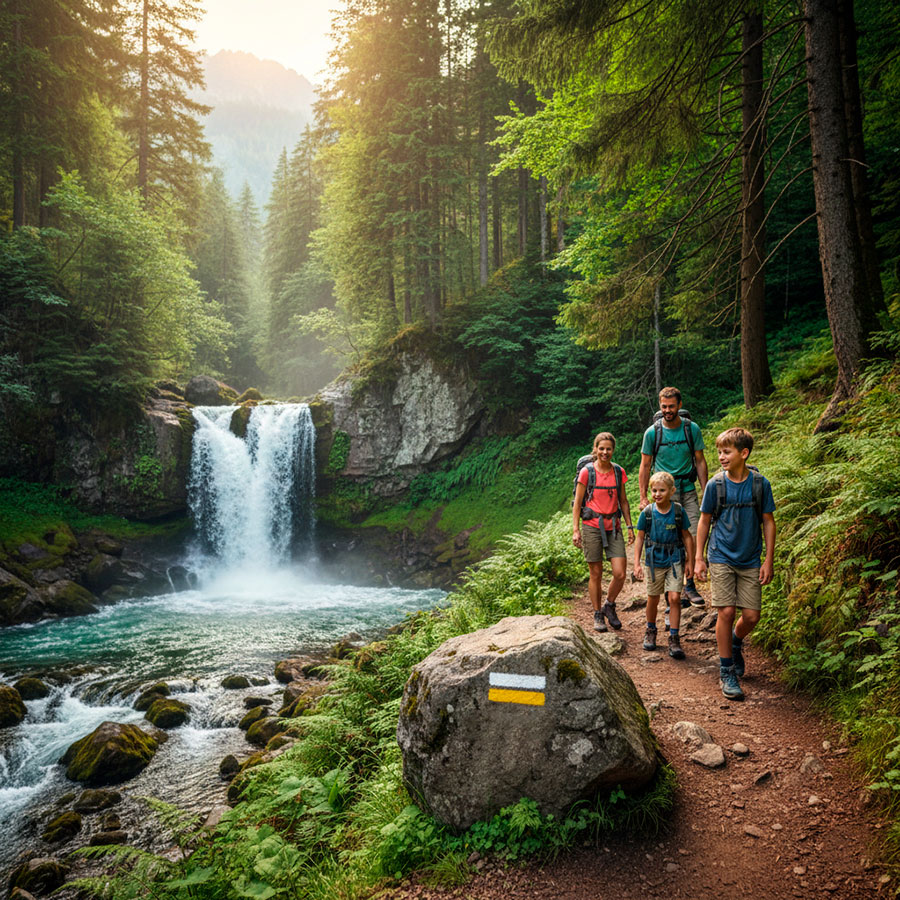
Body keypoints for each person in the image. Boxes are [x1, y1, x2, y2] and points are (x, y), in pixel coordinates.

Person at [694, 427, 776, 701]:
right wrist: (699, 557)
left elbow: (768, 521)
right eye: (719, 452)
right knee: (726, 611)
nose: (721, 457)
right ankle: (726, 669)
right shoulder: (715, 485)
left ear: (744, 453)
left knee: (752, 616)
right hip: (721, 555)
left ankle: (736, 641)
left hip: (750, 558)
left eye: (726, 452)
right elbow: (704, 521)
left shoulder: (760, 485)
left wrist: (768, 560)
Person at [639, 386, 709, 607]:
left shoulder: (691, 429)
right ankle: (673, 591)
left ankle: (689, 584)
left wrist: (706, 490)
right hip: (664, 493)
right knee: (670, 539)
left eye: (671, 406)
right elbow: (645, 465)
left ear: (679, 405)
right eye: (664, 407)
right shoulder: (652, 433)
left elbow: (700, 460)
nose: (667, 410)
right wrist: (643, 497)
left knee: (693, 535)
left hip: (687, 489)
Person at [572, 432, 635, 633]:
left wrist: (629, 526)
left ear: (613, 450)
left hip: (613, 526)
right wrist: (576, 530)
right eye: (601, 448)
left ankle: (609, 604)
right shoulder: (587, 473)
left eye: (608, 449)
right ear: (595, 449)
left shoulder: (618, 472)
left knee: (620, 572)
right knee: (596, 573)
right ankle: (597, 613)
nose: (605, 452)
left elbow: (623, 501)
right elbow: (577, 503)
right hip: (591, 526)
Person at [633, 471, 696, 659]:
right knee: (653, 597)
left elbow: (687, 536)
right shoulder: (647, 513)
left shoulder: (678, 512)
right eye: (654, 490)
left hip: (674, 559)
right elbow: (640, 538)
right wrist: (637, 563)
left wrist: (690, 560)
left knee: (675, 597)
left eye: (662, 490)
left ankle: (674, 637)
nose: (657, 494)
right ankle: (651, 629)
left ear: (671, 491)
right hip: (654, 561)